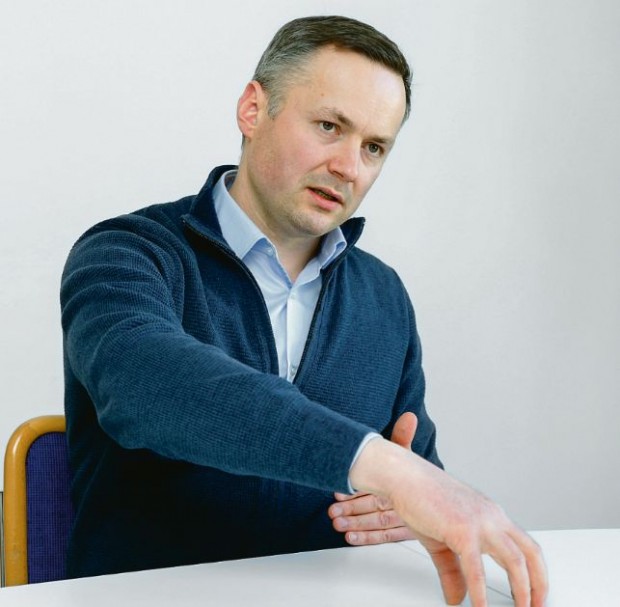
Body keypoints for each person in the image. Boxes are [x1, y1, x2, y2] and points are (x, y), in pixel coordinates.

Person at [60, 15, 547, 607]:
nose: (349, 166)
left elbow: (418, 477)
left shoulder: (383, 296)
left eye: (373, 147)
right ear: (252, 110)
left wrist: (402, 510)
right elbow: (143, 382)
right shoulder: (127, 253)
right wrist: (380, 466)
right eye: (329, 126)